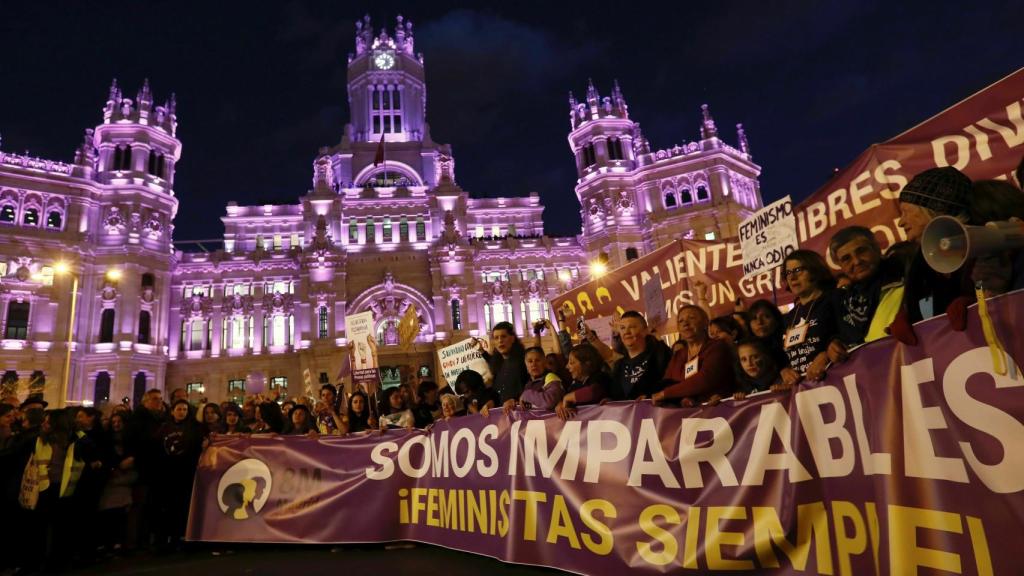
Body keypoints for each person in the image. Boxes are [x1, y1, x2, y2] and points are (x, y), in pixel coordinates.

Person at [897, 167, 974, 327]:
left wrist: (977, 303)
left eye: (906, 212)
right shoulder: (919, 263)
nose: (900, 222)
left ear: (932, 210)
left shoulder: (979, 247)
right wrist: (910, 317)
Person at [828, 226, 905, 356]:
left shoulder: (906, 273)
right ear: (840, 266)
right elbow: (845, 337)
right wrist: (834, 345)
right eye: (847, 259)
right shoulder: (843, 302)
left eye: (861, 251)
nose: (857, 261)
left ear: (876, 248)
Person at [653, 305, 736, 406]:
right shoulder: (678, 355)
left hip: (716, 410)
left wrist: (666, 394)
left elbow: (706, 379)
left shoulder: (717, 347)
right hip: (684, 415)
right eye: (681, 321)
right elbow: (666, 383)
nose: (686, 324)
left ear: (705, 322)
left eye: (691, 318)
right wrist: (649, 396)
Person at [781, 250, 839, 381]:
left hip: (835, 379)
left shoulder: (834, 298)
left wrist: (826, 354)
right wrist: (785, 370)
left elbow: (849, 334)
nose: (792, 277)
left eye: (798, 270)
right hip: (805, 389)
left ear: (815, 270)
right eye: (788, 273)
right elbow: (786, 355)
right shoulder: (789, 317)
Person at [154, 400, 202, 551]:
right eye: (179, 409)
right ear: (173, 411)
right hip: (167, 473)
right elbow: (156, 447)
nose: (182, 412)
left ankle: (177, 537)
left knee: (181, 507)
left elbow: (196, 449)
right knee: (165, 507)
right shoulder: (164, 428)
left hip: (184, 473)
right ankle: (162, 539)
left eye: (185, 410)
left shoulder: (193, 429)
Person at [603, 311, 672, 401]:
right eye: (623, 328)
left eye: (632, 327)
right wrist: (610, 401)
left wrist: (649, 397)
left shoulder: (659, 357)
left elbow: (670, 384)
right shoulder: (619, 366)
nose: (627, 332)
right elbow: (616, 395)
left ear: (645, 331)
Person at [479, 322, 529, 411]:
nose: (500, 341)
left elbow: (532, 386)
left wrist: (514, 399)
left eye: (503, 336)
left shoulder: (525, 360)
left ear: (513, 338)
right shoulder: (497, 365)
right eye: (496, 338)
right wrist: (491, 402)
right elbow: (496, 392)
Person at [555, 344, 613, 419]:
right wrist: (560, 405)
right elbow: (565, 399)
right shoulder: (575, 383)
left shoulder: (600, 377)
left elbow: (593, 391)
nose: (567, 366)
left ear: (587, 363)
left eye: (572, 363)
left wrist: (568, 397)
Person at [515, 346, 565, 411]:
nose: (534, 364)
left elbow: (550, 402)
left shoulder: (551, 377)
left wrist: (526, 395)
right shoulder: (528, 383)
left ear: (544, 362)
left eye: (537, 360)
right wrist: (514, 403)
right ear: (526, 365)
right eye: (530, 361)